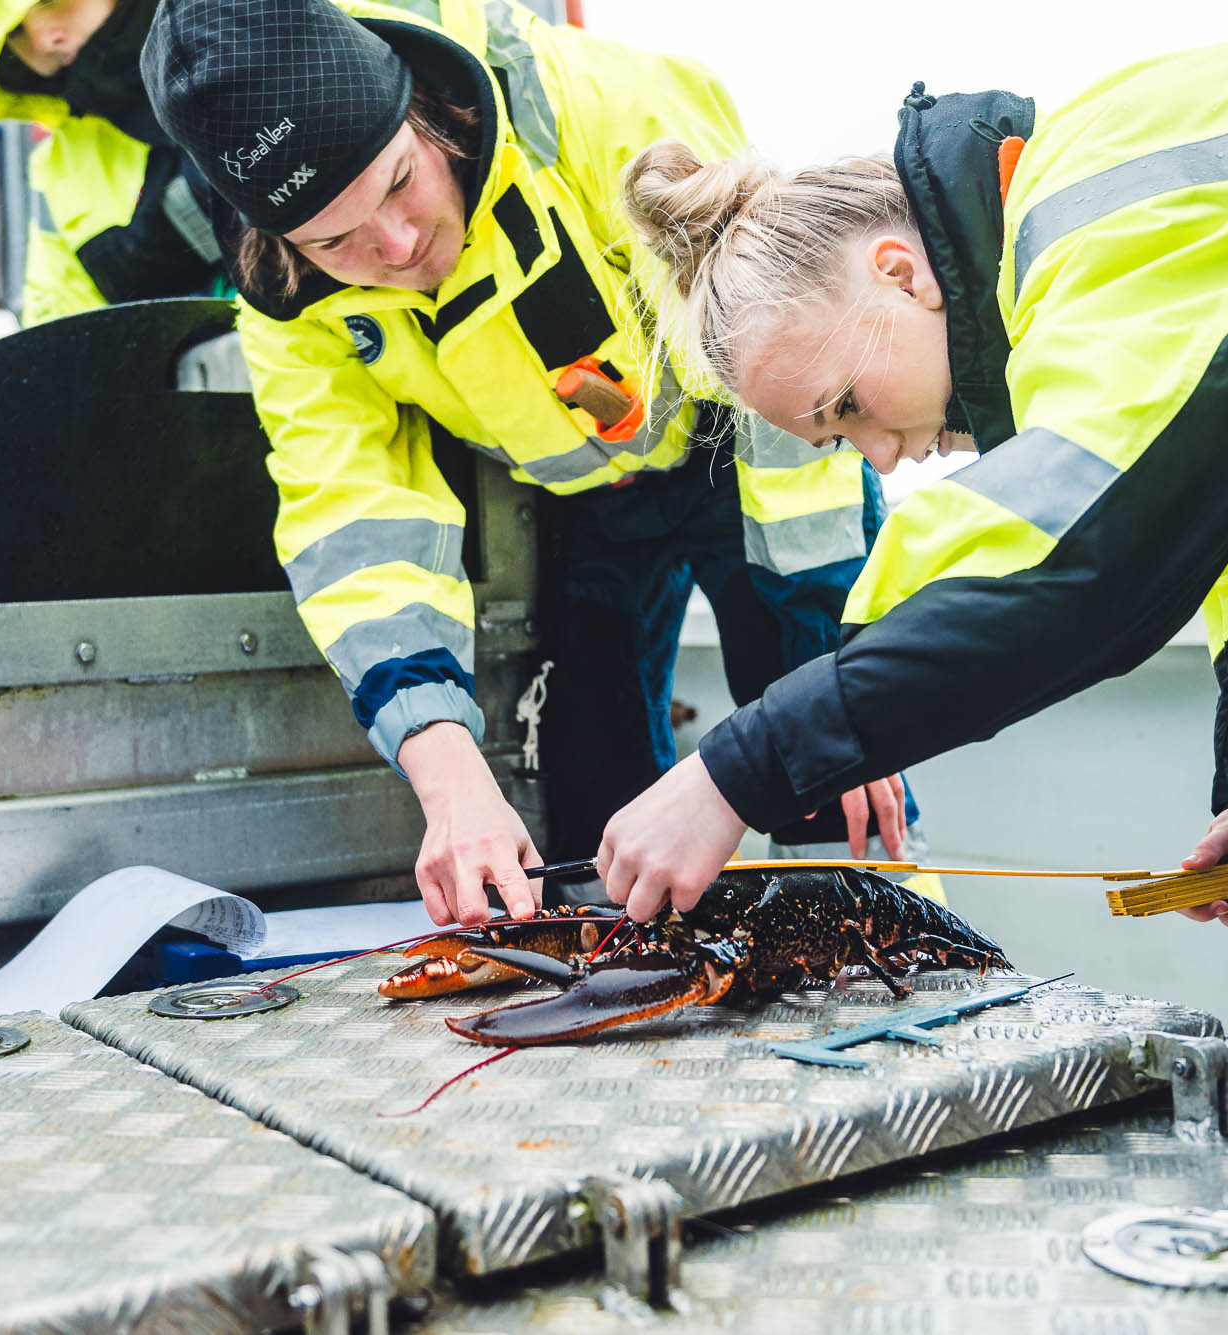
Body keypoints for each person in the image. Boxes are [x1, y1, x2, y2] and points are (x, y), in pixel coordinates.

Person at [595, 39, 1228, 1099]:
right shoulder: (1097, 291)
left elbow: (1078, 566)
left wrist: (730, 773)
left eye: (845, 406)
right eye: (837, 443)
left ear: (897, 271)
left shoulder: (1097, 215)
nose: (881, 454)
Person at [140, 0, 929, 929]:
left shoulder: (618, 110)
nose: (394, 250)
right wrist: (449, 776)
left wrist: (835, 681)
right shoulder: (285, 312)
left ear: (428, 115)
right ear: (281, 244)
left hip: (743, 444)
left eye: (399, 182)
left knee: (830, 780)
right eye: (334, 242)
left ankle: (877, 962)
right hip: (580, 501)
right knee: (597, 799)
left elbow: (786, 358)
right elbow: (356, 519)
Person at [0, 0, 231, 324]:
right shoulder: (62, 171)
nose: (43, 38)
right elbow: (63, 352)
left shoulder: (247, 19)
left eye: (48, 1)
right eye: (13, 35)